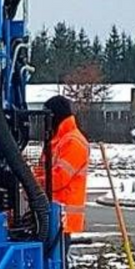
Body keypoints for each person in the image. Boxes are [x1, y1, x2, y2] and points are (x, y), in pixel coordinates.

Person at [42, 94, 90, 237]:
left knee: (58, 257)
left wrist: (33, 184)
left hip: (63, 217)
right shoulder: (59, 140)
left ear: (54, 115)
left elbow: (59, 179)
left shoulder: (73, 142)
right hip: (53, 215)